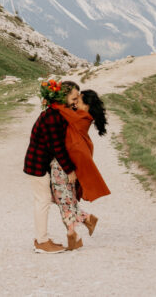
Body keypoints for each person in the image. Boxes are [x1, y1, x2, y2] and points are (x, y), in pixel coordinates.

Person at [49, 88, 110, 250]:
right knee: (63, 197)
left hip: (65, 163)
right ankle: (86, 219)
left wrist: (53, 102)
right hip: (66, 162)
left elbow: (62, 111)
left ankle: (73, 236)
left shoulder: (82, 116)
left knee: (63, 198)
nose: (75, 103)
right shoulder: (82, 115)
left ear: (87, 106)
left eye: (79, 100)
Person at [23, 79, 78, 253]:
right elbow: (57, 147)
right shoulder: (53, 117)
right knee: (43, 201)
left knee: (45, 199)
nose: (76, 103)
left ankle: (43, 239)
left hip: (39, 164)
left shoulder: (57, 112)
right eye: (74, 99)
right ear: (63, 97)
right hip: (37, 165)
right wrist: (70, 170)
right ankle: (41, 241)